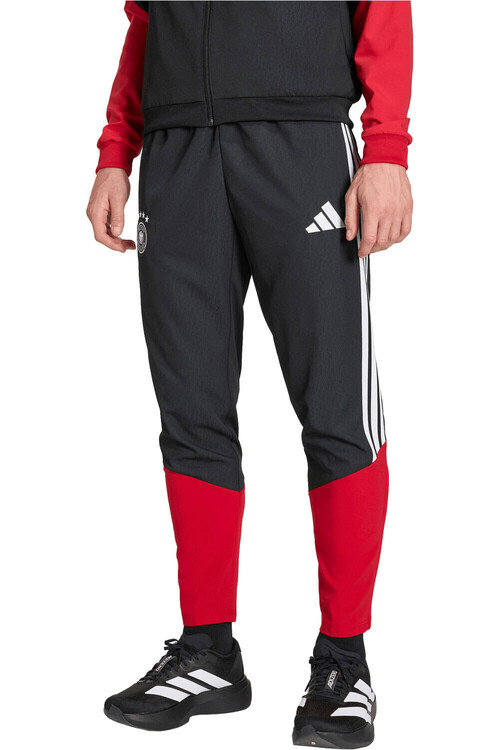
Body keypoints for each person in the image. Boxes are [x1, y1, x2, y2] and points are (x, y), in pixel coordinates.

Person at [87, 2, 413, 746]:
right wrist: (115, 151)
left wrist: (387, 149)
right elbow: (146, 22)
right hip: (176, 153)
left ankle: (344, 661)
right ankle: (208, 651)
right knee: (190, 413)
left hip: (301, 142)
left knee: (338, 409)